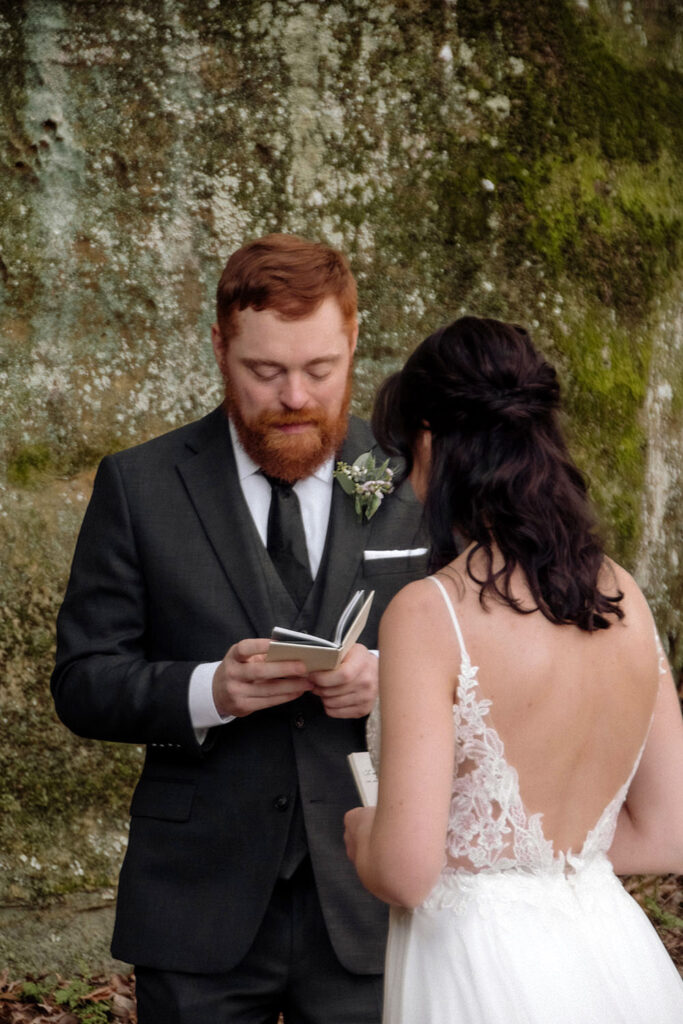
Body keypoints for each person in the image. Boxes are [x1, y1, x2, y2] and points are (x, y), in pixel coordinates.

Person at [50, 233, 429, 1024]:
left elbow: (488, 658)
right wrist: (208, 690)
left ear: (353, 340)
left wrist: (392, 684)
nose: (294, 396)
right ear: (220, 346)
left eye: (319, 369)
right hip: (196, 901)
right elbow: (83, 682)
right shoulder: (140, 485)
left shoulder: (413, 476)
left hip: (372, 893)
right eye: (264, 371)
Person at [344, 316, 683, 1023]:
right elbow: (667, 832)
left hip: (478, 964)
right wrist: (548, 861)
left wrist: (363, 833)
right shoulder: (623, 597)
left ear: (430, 440)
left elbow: (406, 873)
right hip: (610, 955)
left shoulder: (431, 613)